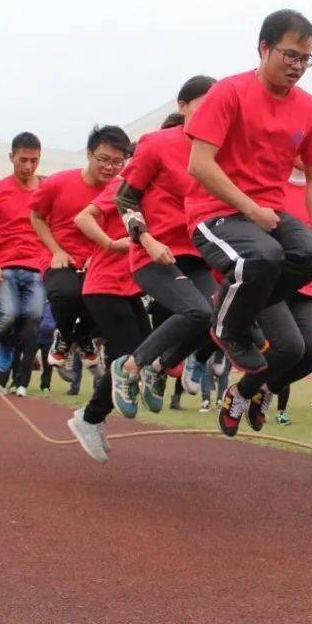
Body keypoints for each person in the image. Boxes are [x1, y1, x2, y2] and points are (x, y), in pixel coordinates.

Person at [185, 10, 312, 377]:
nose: (298, 66)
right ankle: (227, 327)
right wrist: (250, 209)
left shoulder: (309, 108)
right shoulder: (230, 91)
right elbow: (200, 163)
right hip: (214, 213)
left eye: (306, 59)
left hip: (267, 215)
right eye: (290, 55)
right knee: (265, 256)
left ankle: (235, 309)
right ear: (264, 48)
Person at [110, 78, 219, 412]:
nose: (210, 114)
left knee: (218, 320)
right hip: (154, 255)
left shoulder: (220, 153)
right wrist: (146, 238)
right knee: (196, 311)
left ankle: (158, 368)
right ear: (182, 107)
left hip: (198, 256)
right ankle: (128, 367)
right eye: (203, 105)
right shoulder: (156, 143)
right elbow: (125, 198)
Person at [216, 143, 312, 438]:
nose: (310, 154)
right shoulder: (269, 182)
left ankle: (261, 389)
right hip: (270, 279)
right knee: (290, 347)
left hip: (304, 284)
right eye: (305, 146)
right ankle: (239, 394)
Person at [69, 167, 153, 463]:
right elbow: (82, 217)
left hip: (128, 289)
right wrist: (110, 243)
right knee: (129, 359)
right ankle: (89, 418)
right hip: (105, 287)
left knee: (146, 354)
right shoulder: (126, 184)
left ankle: (93, 416)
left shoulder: (164, 189)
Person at [31, 125, 131, 372]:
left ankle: (77, 337)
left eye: (117, 162)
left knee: (102, 299)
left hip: (97, 260)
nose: (109, 167)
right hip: (59, 256)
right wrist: (56, 250)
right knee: (67, 294)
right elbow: (36, 217)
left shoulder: (121, 189)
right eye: (104, 159)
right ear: (89, 154)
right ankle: (68, 336)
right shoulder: (57, 183)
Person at [0, 131, 48, 375]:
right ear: (11, 157)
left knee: (33, 316)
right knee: (8, 315)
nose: (28, 166)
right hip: (4, 267)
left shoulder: (47, 189)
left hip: (38, 266)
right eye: (23, 160)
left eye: (34, 160)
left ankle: (7, 344)